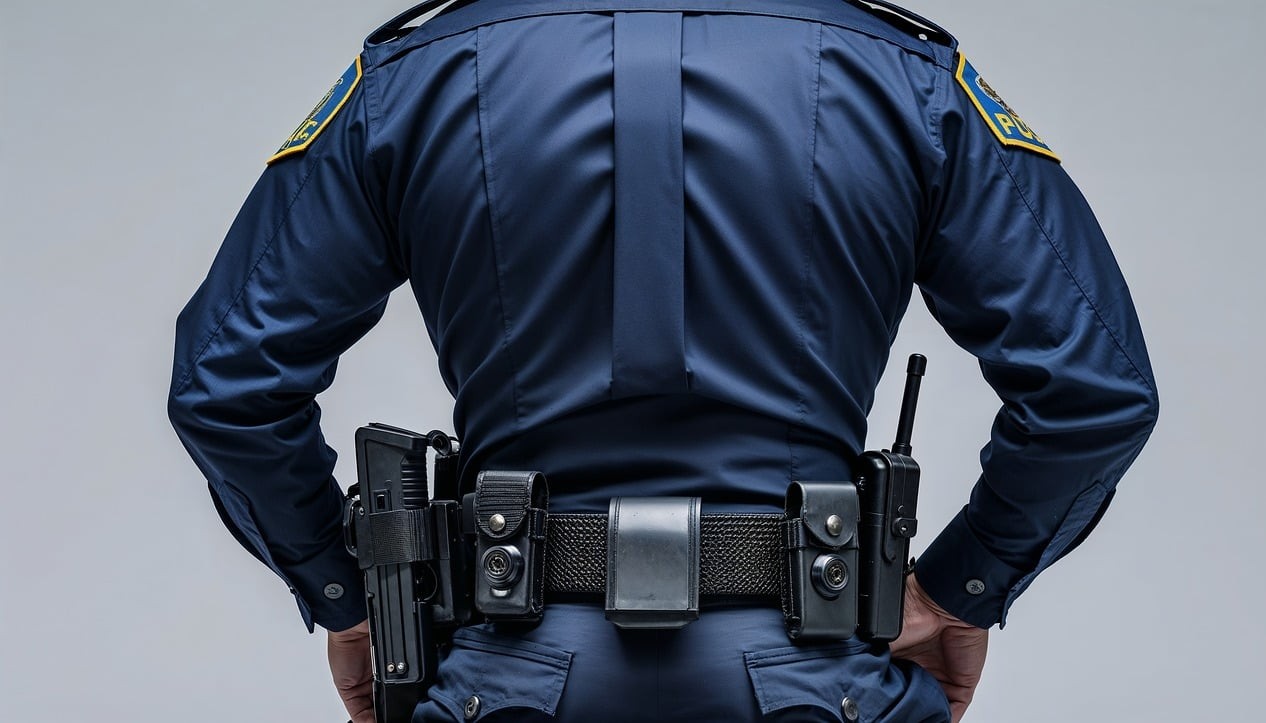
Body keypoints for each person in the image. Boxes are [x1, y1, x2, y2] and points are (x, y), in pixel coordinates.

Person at [167, 0, 1158, 720]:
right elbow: (1091, 391)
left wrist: (347, 601)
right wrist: (955, 591)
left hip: (503, 684)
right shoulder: (906, 77)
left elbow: (226, 385)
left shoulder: (412, 77)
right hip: (822, 683)